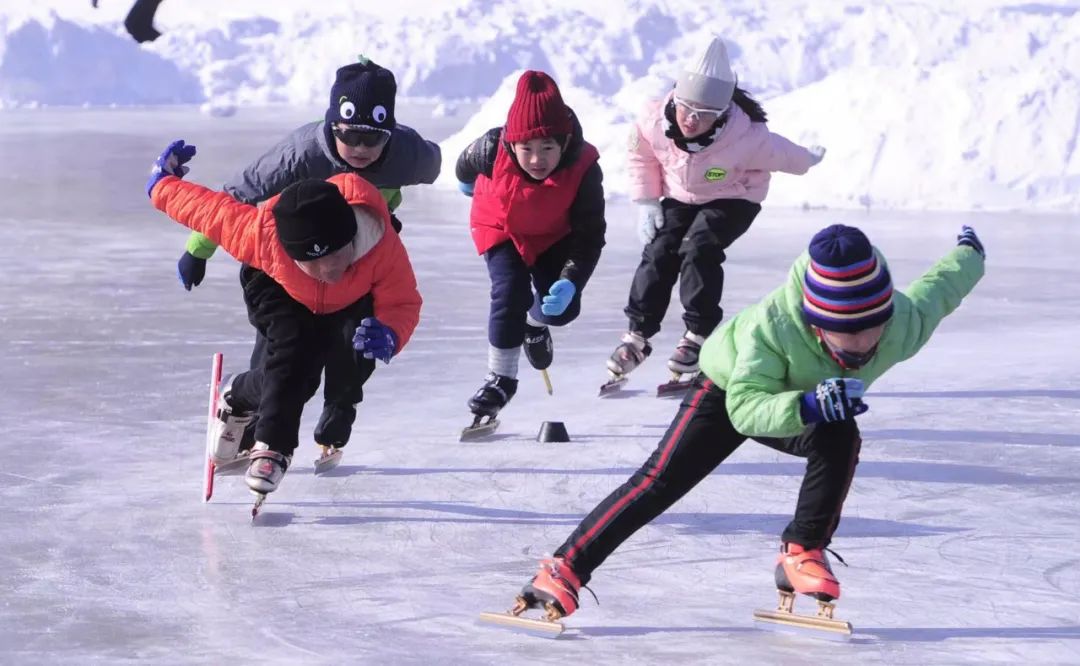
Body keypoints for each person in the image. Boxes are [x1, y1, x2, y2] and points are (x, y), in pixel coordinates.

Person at [513, 223, 986, 621]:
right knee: (660, 480)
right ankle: (564, 568)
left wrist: (970, 254)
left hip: (802, 401)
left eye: (872, 327)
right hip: (729, 388)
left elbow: (939, 290)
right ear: (816, 322)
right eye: (845, 331)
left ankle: (802, 551)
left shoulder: (903, 324)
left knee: (841, 435)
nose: (862, 344)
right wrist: (808, 407)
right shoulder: (772, 327)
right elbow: (744, 411)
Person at [176, 58, 440, 461]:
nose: (361, 149)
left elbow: (459, 166)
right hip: (292, 255)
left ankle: (338, 411)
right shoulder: (299, 154)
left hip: (358, 251)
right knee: (283, 349)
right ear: (333, 125)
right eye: (350, 136)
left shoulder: (410, 155)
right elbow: (234, 198)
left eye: (373, 139)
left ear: (390, 133)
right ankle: (252, 414)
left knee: (356, 338)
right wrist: (198, 249)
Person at [147, 140, 422, 495]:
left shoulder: (380, 243)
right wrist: (161, 184)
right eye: (314, 262)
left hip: (339, 301)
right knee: (292, 356)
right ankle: (272, 448)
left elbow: (402, 301)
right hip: (275, 285)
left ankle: (236, 394)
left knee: (302, 380)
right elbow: (208, 211)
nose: (329, 270)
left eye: (338, 256)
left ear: (351, 236)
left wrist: (391, 333)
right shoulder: (261, 234)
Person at [607, 35, 826, 387]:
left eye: (706, 114)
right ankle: (637, 335)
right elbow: (641, 157)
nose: (693, 120)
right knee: (660, 250)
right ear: (675, 97)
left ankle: (697, 335)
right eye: (686, 108)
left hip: (735, 197)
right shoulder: (651, 122)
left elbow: (782, 153)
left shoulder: (746, 137)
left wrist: (807, 159)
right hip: (680, 196)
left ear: (722, 112)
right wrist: (647, 202)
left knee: (700, 247)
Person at [455, 70, 606, 422]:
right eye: (527, 149)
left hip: (552, 233)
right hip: (500, 227)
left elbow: (589, 234)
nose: (537, 160)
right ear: (511, 144)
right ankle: (500, 379)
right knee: (510, 291)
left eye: (547, 148)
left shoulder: (584, 166)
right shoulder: (489, 148)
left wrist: (572, 280)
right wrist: (466, 184)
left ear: (564, 143)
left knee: (561, 311)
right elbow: (462, 166)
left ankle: (533, 325)